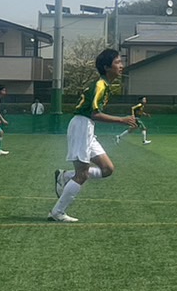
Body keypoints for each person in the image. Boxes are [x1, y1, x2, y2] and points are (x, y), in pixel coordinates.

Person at [49, 48, 135, 223]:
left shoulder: (105, 85)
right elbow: (94, 113)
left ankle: (65, 176)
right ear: (107, 67)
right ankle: (57, 212)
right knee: (82, 174)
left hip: (87, 127)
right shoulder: (100, 85)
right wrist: (122, 120)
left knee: (107, 169)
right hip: (82, 125)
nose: (121, 66)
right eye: (117, 62)